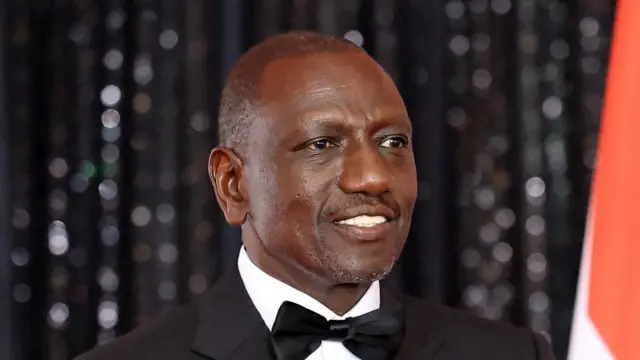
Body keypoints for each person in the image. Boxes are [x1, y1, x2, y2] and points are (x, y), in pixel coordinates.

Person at [76, 31, 555, 360]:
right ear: (233, 184)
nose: (372, 178)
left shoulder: (512, 355)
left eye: (393, 143)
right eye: (322, 145)